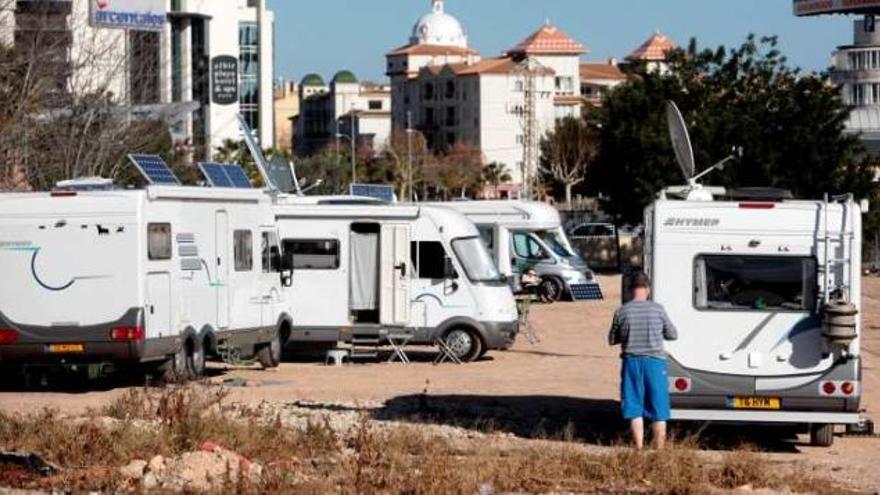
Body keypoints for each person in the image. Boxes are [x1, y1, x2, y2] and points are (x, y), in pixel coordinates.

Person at [608, 272, 678, 450]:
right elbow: (672, 334)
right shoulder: (658, 309)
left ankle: (639, 449)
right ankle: (659, 451)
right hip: (655, 363)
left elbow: (612, 339)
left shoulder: (622, 311)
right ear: (647, 289)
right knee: (659, 410)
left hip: (631, 363)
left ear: (631, 290)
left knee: (634, 408)